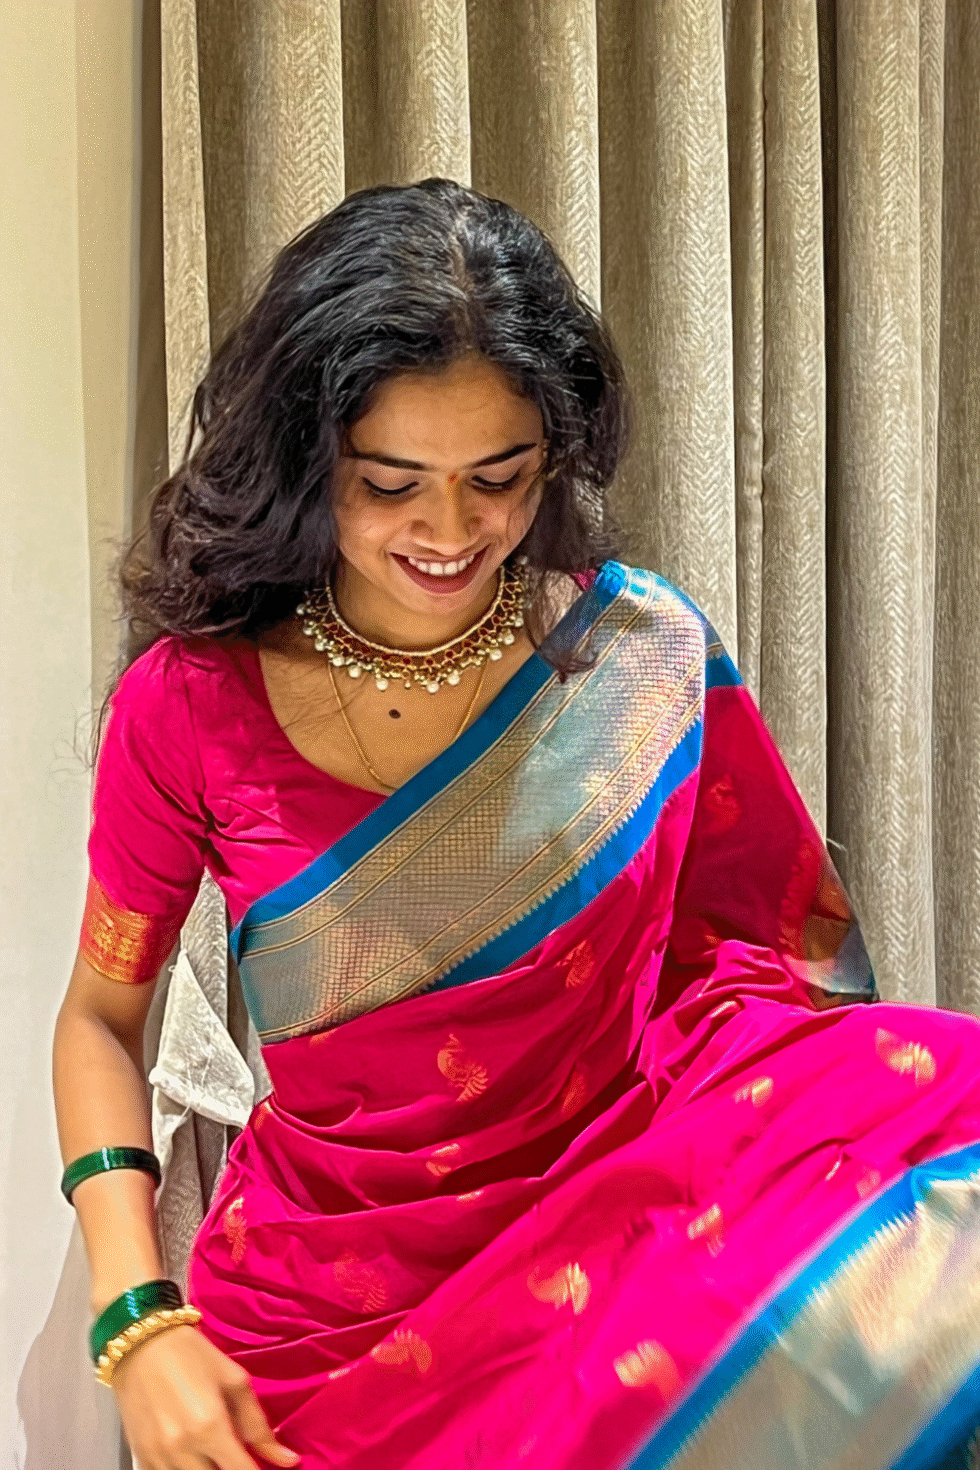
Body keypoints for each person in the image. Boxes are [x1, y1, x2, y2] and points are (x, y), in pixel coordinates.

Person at [53, 178, 980, 1470]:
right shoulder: (192, 705)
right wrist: (135, 1314)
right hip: (330, 1329)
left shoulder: (637, 655)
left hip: (624, 1262)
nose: (450, 531)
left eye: (498, 478)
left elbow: (759, 959)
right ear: (307, 463)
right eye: (392, 483)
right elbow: (102, 1019)